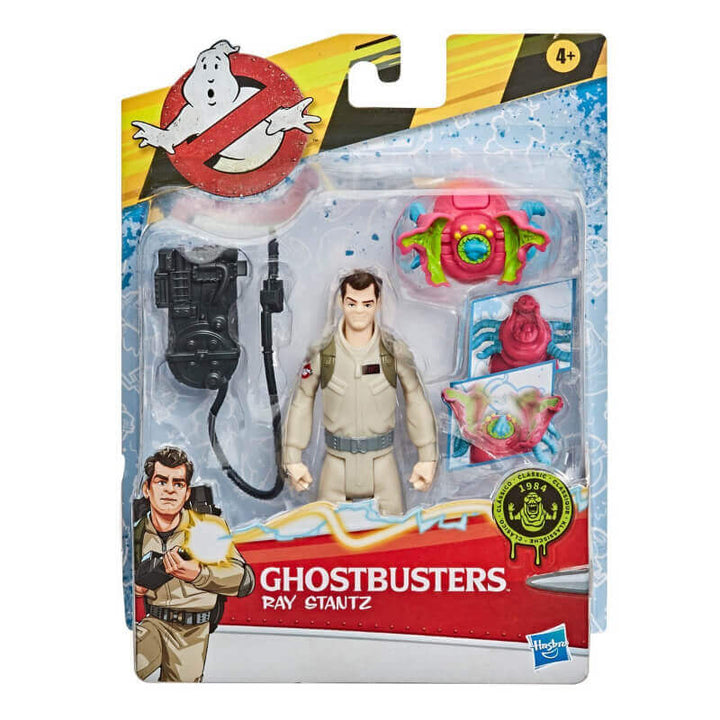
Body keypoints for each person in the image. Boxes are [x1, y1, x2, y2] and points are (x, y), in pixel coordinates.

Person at [283, 271, 437, 515]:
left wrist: (427, 456)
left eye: (367, 304)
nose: (359, 311)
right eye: (352, 303)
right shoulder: (324, 353)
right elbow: (302, 401)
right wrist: (292, 457)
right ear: (340, 302)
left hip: (382, 463)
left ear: (378, 303)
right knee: (325, 530)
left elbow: (416, 398)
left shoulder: (392, 351)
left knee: (395, 530)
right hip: (336, 463)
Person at [134, 447, 249, 682]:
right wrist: (131, 587)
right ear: (147, 489)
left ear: (187, 493)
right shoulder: (136, 531)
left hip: (192, 634)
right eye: (161, 481)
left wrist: (199, 574)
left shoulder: (208, 527)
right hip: (153, 624)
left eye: (178, 484)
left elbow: (243, 580)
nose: (170, 490)